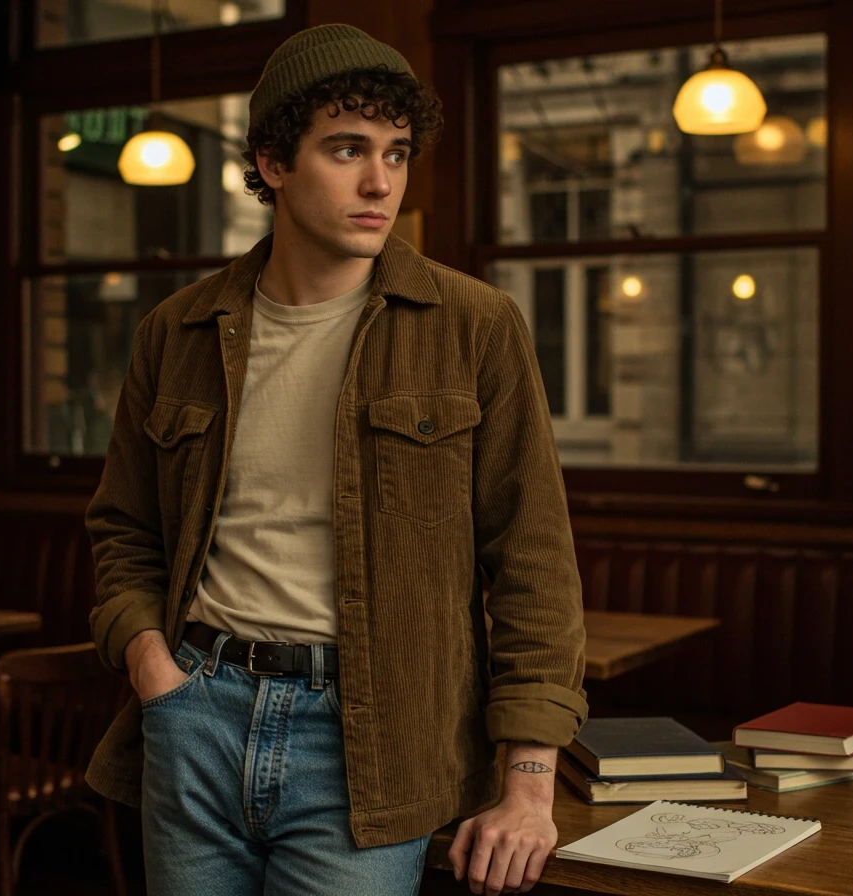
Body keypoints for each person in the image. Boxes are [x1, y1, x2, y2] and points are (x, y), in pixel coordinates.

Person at [83, 22, 588, 896]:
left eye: (396, 153)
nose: (379, 181)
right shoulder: (179, 331)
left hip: (372, 739)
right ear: (273, 163)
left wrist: (529, 781)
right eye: (348, 149)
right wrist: (149, 664)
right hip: (194, 711)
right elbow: (123, 530)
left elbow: (535, 562)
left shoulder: (474, 326)